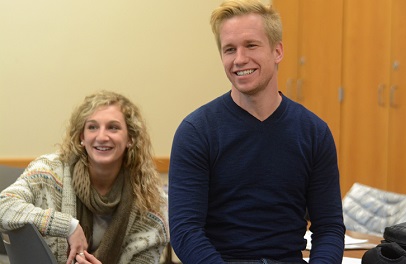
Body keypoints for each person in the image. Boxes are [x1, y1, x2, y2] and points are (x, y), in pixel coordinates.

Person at [168, 0, 345, 263]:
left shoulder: (314, 133)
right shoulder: (196, 132)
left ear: (277, 51)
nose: (240, 59)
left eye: (251, 45)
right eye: (229, 49)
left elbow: (329, 228)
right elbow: (185, 232)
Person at [0, 90, 169, 264]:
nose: (102, 137)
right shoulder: (49, 171)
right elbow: (3, 205)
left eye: (113, 127)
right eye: (92, 127)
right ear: (82, 137)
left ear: (130, 139)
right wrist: (68, 226)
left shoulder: (150, 202)